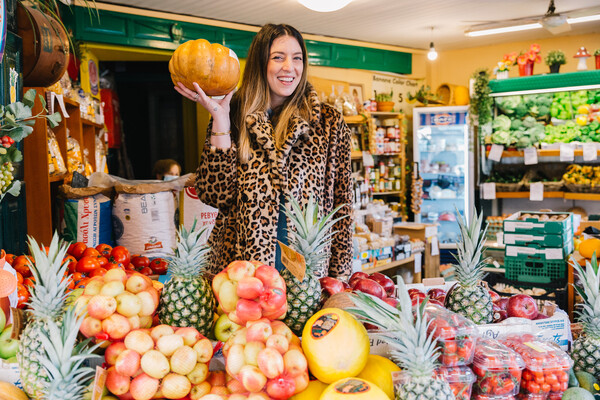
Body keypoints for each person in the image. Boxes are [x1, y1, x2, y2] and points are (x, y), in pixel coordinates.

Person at [174, 23, 353, 279]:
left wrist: (339, 280)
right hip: (240, 275)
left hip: (307, 278)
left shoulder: (328, 123)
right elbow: (215, 195)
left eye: (297, 58)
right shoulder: (233, 113)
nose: (289, 67)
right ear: (260, 63)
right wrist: (220, 119)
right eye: (278, 57)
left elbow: (342, 206)